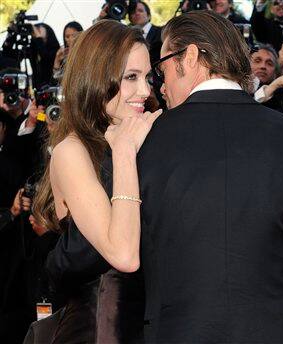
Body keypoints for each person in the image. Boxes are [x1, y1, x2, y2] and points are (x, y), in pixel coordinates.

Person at [138, 10, 283, 342]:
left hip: (178, 331)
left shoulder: (145, 140)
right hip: (273, 330)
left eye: (162, 67)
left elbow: (134, 255)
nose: (160, 82)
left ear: (191, 56)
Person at [31, 19, 162, 343]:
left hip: (151, 324)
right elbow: (124, 254)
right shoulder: (71, 152)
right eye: (131, 77)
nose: (145, 91)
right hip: (98, 331)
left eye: (148, 77)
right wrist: (125, 153)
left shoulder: (142, 135)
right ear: (97, 77)